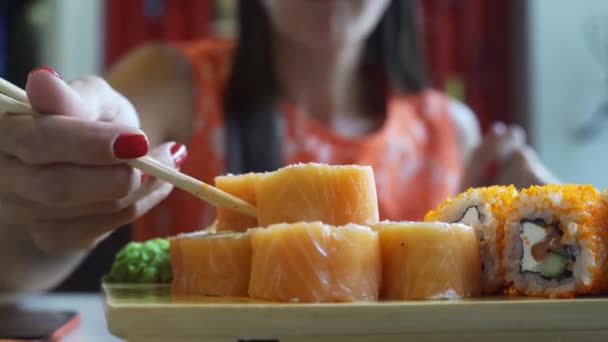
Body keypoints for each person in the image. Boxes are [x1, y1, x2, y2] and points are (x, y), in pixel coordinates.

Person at [0, 0, 557, 291]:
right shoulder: (172, 81)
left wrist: (518, 225)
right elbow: (18, 266)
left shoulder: (450, 130)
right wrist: (48, 204)